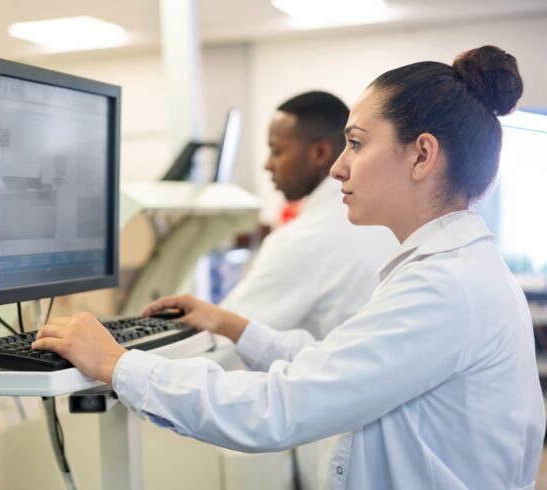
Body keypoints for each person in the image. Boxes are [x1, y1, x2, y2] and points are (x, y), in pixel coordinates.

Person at [33, 45, 546, 489]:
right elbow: (340, 365)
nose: (338, 167)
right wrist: (234, 325)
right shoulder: (455, 270)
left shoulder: (443, 287)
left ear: (421, 156)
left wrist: (117, 364)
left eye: (357, 143)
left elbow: (282, 407)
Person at [221, 91, 396, 340]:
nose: (267, 165)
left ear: (320, 153)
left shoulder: (302, 241)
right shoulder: (386, 219)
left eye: (277, 151)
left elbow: (224, 334)